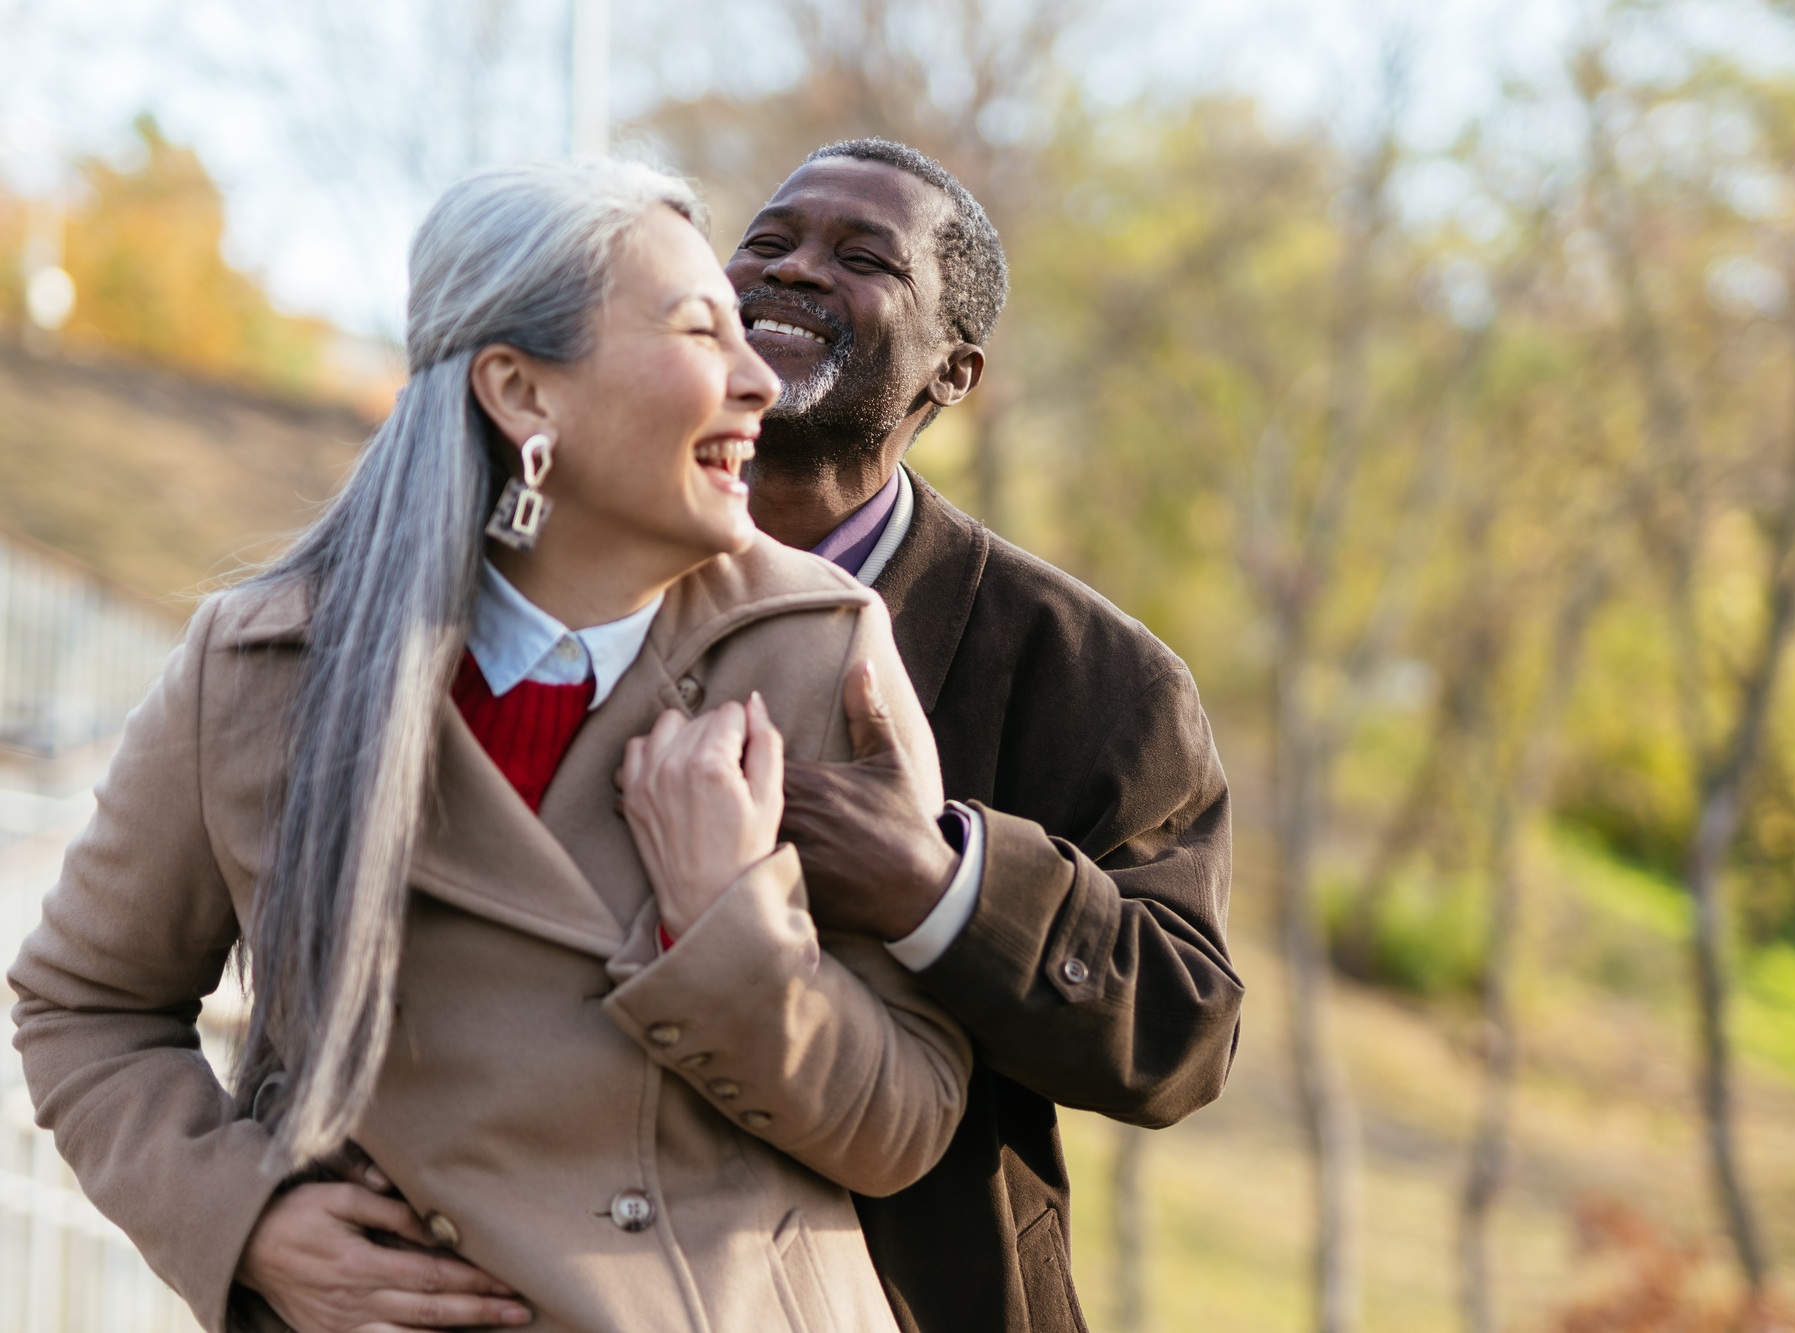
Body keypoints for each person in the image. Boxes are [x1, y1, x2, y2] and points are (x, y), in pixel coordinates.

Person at [239, 139, 1243, 1333]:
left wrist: (942, 884)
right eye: (765, 242)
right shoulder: (466, 583)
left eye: (863, 257)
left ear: (954, 373)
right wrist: (240, 1214)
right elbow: (110, 993)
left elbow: (1182, 1032)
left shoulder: (1088, 672)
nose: (794, 270)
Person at [7, 159, 975, 1333]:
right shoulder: (259, 668)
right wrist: (243, 1217)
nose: (755, 378)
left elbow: (908, 1121)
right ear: (521, 394)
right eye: (696, 330)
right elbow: (84, 1005)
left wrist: (728, 929)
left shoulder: (823, 651)